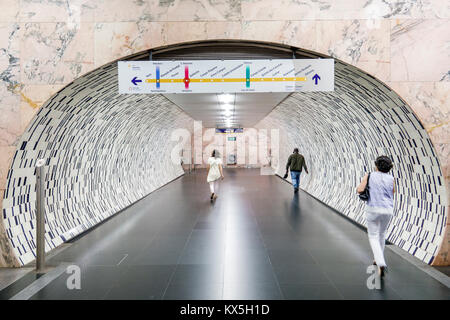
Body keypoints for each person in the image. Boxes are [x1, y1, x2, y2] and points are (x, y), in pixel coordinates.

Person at [357, 155, 395, 278]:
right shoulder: (391, 178)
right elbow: (393, 191)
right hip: (388, 210)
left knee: (373, 236)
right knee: (382, 234)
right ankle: (377, 259)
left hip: (373, 208)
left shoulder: (370, 175)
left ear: (376, 165)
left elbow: (360, 189)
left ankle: (380, 262)